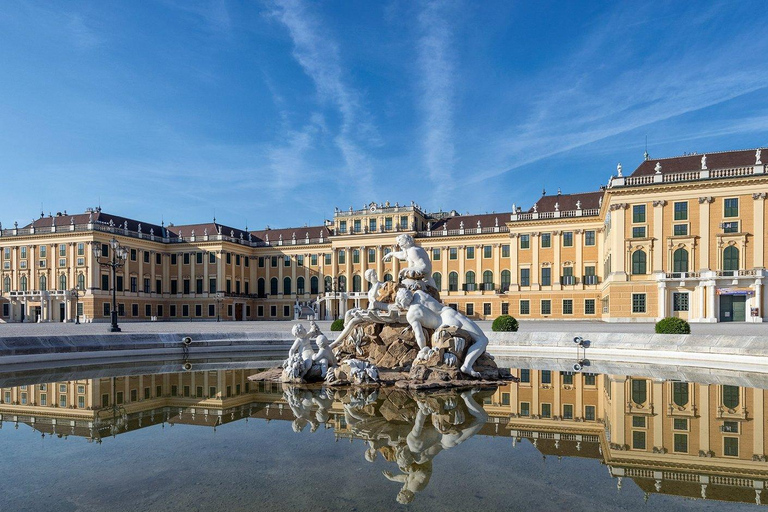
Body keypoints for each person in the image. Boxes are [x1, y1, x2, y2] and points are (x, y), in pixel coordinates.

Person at [395, 288, 488, 377]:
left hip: (442, 325)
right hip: (449, 314)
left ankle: (469, 363)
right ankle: (472, 360)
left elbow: (419, 335)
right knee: (482, 339)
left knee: (482, 340)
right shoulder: (419, 293)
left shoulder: (411, 314)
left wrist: (424, 349)